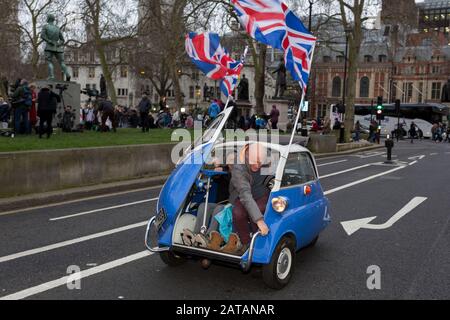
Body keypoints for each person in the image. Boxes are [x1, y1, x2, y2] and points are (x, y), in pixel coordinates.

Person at [228, 143, 272, 254]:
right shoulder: (239, 167)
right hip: (244, 194)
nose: (257, 166)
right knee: (238, 213)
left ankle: (260, 242)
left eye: (260, 163)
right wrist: (259, 221)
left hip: (262, 192)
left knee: (261, 207)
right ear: (247, 155)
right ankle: (246, 243)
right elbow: (245, 194)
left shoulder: (269, 157)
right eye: (254, 163)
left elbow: (274, 175)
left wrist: (273, 183)